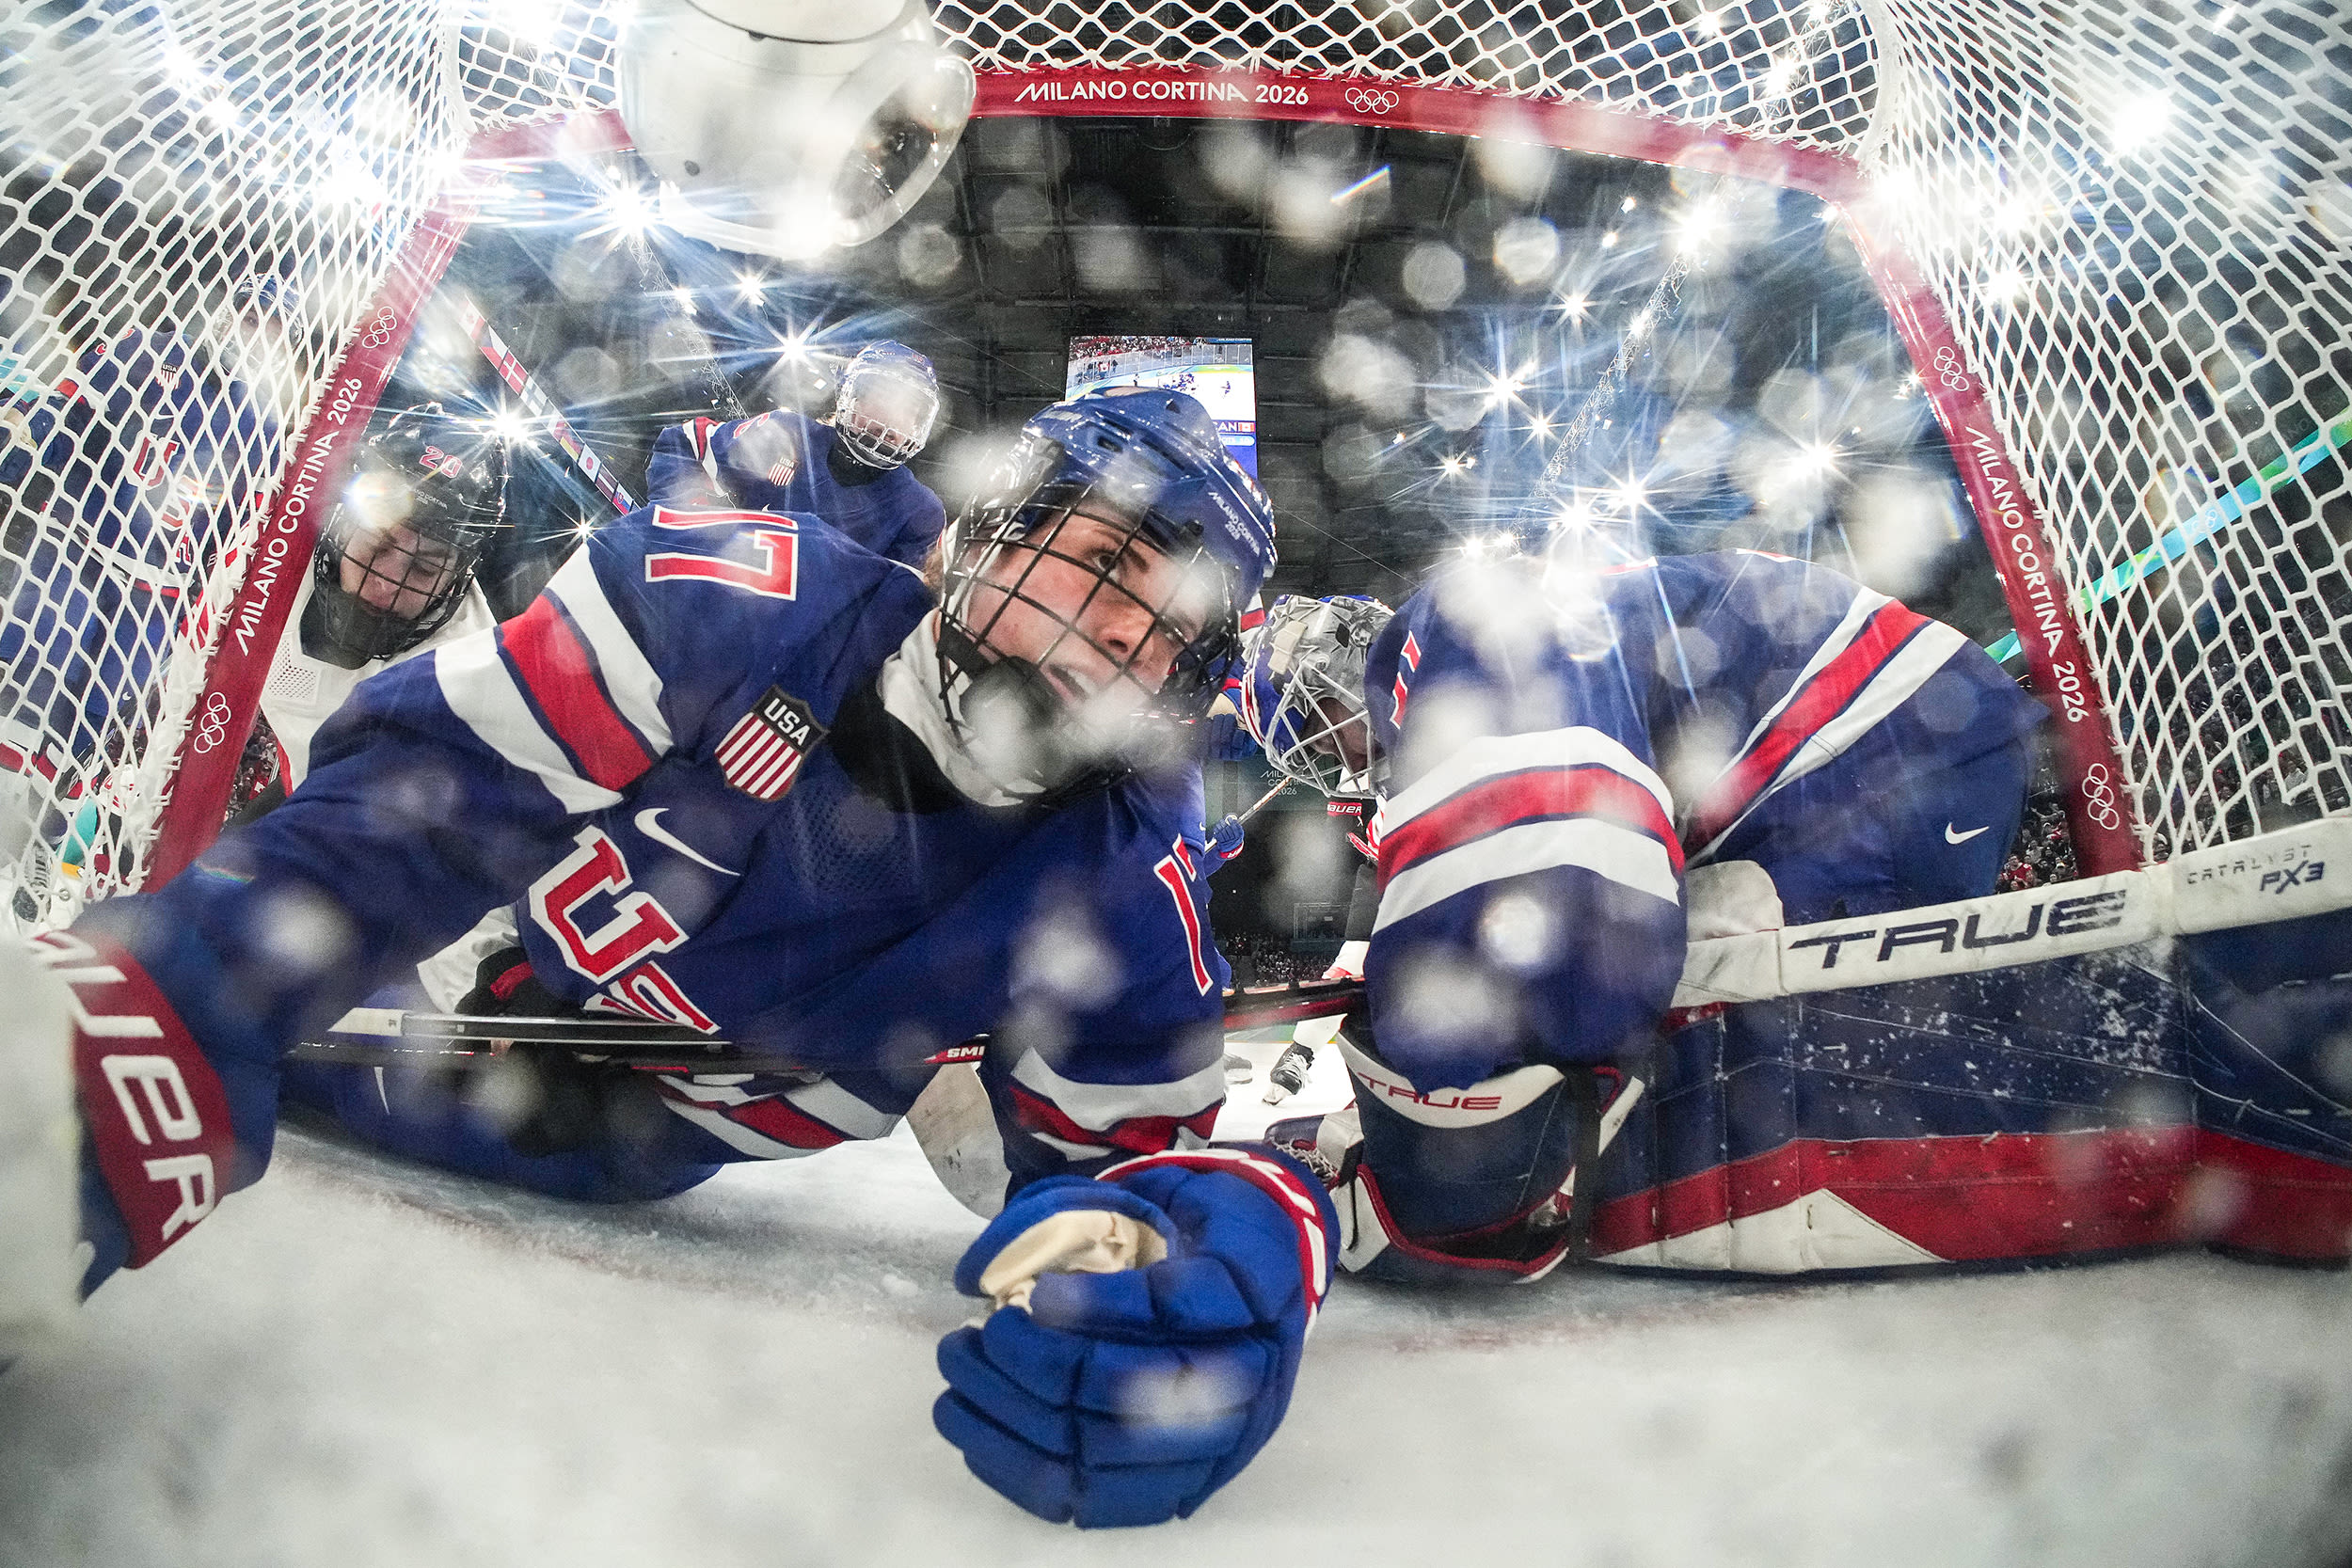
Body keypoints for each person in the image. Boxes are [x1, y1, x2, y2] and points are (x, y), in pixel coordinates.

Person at [8, 387, 1336, 1529]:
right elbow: (374, 843)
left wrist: (1223, 1255)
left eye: (1151, 631)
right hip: (409, 1015)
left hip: (607, 1169)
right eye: (1094, 561)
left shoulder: (1120, 871)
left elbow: (1129, 1192)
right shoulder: (734, 605)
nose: (1099, 636)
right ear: (992, 526)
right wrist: (169, 1003)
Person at [1241, 548, 2352, 1281]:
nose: (1340, 754)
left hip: (1876, 750)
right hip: (1904, 743)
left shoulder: (1450, 625)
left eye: (1322, 721)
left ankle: (2252, 1078)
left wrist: (1457, 1109)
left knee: (1682, 998)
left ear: (1357, 664)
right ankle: (2255, 1058)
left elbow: (1568, 898)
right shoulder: (1519, 639)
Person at [0, 329, 272, 927]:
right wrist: (21, 472)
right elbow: (72, 416)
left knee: (95, 727)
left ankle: (39, 842)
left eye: (273, 325)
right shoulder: (150, 350)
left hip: (160, 592)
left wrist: (205, 594)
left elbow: (240, 522)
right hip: (80, 549)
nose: (256, 335)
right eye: (252, 316)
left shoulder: (266, 422)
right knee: (29, 687)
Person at [255, 404, 508, 788]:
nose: (388, 584)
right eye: (377, 544)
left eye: (425, 569)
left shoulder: (466, 681)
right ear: (344, 524)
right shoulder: (276, 545)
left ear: (458, 578)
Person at [644, 341, 946, 571]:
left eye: (910, 411)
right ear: (852, 397)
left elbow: (895, 612)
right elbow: (686, 446)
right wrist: (691, 526)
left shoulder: (919, 512)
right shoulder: (788, 433)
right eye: (886, 399)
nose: (895, 421)